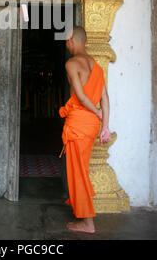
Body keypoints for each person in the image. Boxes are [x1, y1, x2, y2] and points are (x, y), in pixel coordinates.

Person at [59, 26, 110, 234]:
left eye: (66, 39)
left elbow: (80, 96)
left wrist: (97, 113)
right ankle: (80, 209)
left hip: (80, 123)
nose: (65, 43)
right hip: (91, 128)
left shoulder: (71, 63)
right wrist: (104, 125)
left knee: (77, 173)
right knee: (82, 170)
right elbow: (105, 98)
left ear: (71, 39)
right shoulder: (96, 67)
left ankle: (87, 222)